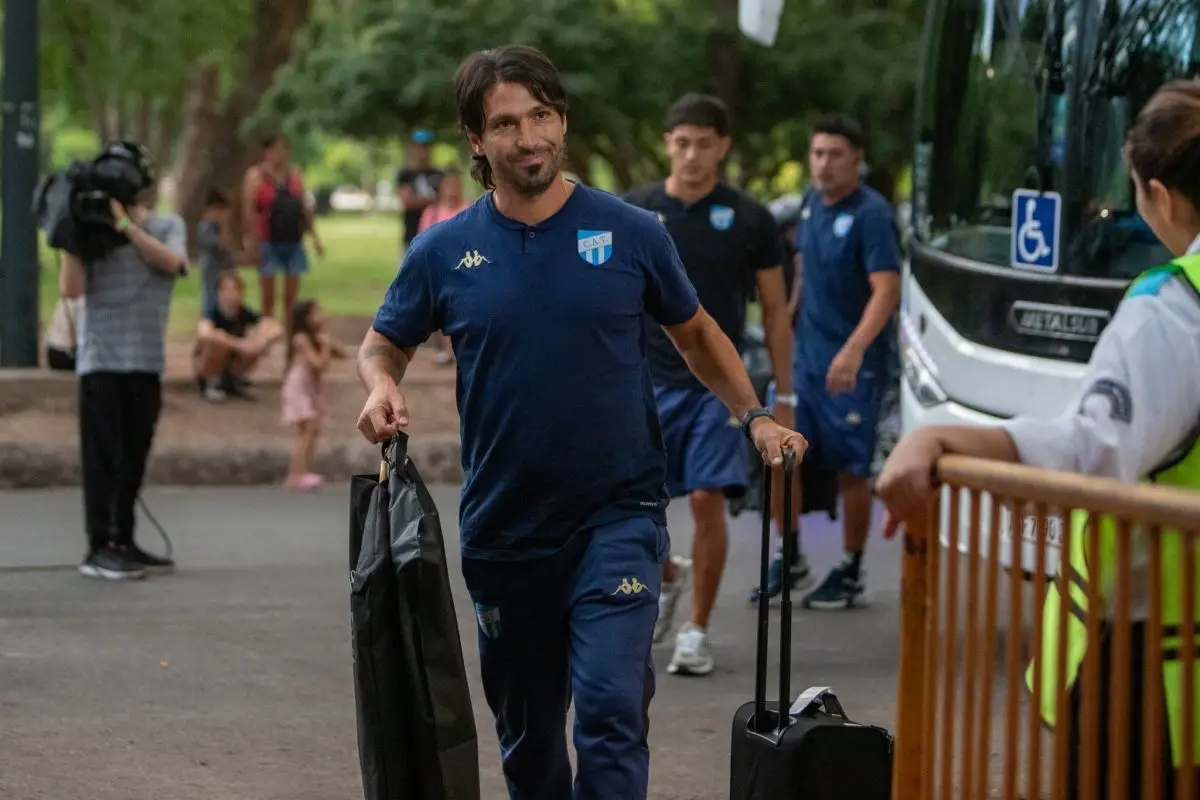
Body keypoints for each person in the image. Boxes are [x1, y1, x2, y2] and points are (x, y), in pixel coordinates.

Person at [354, 44, 806, 800]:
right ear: (476, 139)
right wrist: (378, 388)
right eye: (505, 123)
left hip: (617, 513)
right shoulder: (444, 250)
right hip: (505, 526)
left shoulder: (631, 232)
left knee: (610, 708)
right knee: (529, 744)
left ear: (562, 119)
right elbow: (382, 345)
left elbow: (694, 333)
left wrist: (755, 415)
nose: (529, 137)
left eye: (541, 115)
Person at [877, 78, 1200, 800]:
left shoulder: (1172, 310)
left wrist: (943, 441)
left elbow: (1092, 451)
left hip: (1163, 685)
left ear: (1157, 194)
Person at [621, 93, 795, 676]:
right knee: (636, 505)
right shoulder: (636, 212)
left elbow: (774, 312)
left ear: (722, 146)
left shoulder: (750, 218)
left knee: (705, 497)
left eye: (704, 143)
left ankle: (696, 630)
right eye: (682, 142)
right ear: (668, 144)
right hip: (646, 379)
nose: (692, 154)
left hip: (717, 385)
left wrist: (784, 396)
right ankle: (669, 575)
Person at [750, 114, 901, 610]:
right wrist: (786, 326)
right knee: (780, 453)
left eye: (835, 154)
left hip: (852, 364)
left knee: (850, 469)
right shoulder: (811, 204)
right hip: (805, 360)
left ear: (856, 159)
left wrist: (854, 348)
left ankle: (852, 567)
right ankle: (790, 553)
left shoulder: (871, 214)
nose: (824, 163)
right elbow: (802, 273)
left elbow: (887, 290)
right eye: (817, 154)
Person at [57, 163, 188, 580]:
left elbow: (173, 263)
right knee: (102, 462)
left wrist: (126, 226)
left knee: (133, 458)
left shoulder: (167, 225)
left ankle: (125, 539)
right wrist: (71, 235)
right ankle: (99, 547)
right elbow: (72, 290)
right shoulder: (92, 233)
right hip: (101, 362)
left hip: (145, 361)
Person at [242, 134, 324, 324]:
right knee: (268, 298)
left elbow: (305, 207)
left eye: (284, 150)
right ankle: (268, 338)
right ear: (267, 152)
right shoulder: (255, 176)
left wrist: (316, 239)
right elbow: (249, 212)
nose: (281, 155)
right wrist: (252, 243)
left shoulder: (295, 174)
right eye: (276, 150)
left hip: (293, 241)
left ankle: (289, 342)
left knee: (290, 299)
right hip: (267, 241)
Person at [282, 298, 348, 489]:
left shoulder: (318, 337)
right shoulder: (300, 339)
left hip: (310, 388)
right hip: (298, 388)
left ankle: (302, 472)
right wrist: (325, 346)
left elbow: (343, 354)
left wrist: (327, 338)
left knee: (313, 428)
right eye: (315, 313)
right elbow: (319, 365)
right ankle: (296, 474)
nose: (321, 315)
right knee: (308, 427)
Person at [193, 270, 283, 402]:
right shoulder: (212, 312)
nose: (231, 294)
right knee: (217, 341)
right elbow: (204, 333)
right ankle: (211, 381)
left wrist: (259, 341)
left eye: (235, 290)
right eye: (226, 290)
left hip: (232, 357)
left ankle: (235, 378)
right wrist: (239, 345)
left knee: (259, 343)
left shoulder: (245, 312)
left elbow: (275, 328)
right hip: (206, 363)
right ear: (219, 293)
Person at [417, 169, 470, 366]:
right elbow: (423, 243)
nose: (453, 190)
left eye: (456, 185)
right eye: (448, 185)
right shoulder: (431, 214)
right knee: (442, 309)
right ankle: (448, 348)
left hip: (467, 268)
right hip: (441, 269)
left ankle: (457, 349)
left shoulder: (471, 209)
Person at [395, 128, 444, 249]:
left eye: (426, 147)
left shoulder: (439, 174)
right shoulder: (405, 174)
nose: (423, 151)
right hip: (412, 236)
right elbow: (407, 202)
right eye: (420, 147)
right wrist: (434, 200)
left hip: (436, 235)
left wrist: (419, 200)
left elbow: (446, 201)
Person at [196, 189, 238, 318]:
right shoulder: (206, 227)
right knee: (210, 302)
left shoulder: (216, 227)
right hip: (212, 273)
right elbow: (222, 244)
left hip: (225, 272)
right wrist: (224, 225)